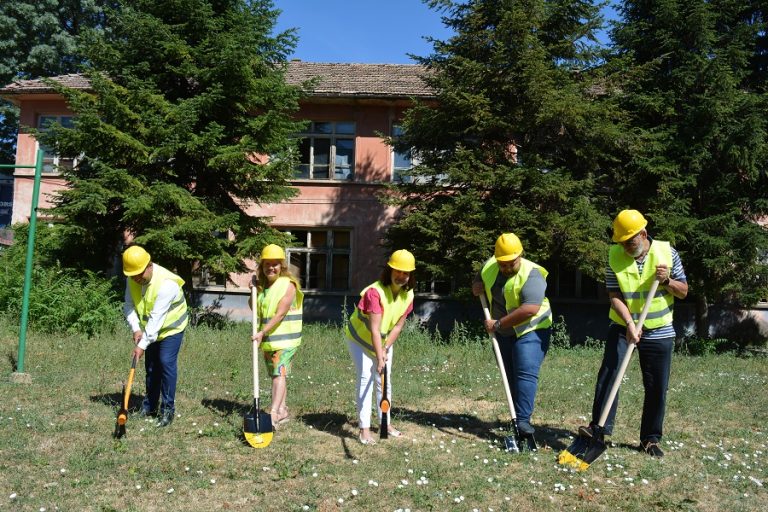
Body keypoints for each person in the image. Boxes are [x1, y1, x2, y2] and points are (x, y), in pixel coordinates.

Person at [581, 209, 688, 457]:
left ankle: (650, 439)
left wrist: (667, 282)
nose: (626, 247)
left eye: (630, 242)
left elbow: (683, 291)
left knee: (656, 385)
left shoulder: (667, 253)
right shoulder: (614, 256)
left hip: (659, 329)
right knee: (609, 376)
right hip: (622, 326)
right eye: (621, 242)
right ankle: (599, 430)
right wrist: (629, 323)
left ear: (643, 233)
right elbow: (614, 295)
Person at [472, 233, 553, 438]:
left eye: (511, 263)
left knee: (525, 371)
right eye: (503, 264)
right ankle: (516, 417)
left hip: (532, 329)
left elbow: (530, 309)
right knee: (509, 374)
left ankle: (523, 422)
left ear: (520, 255)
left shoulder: (531, 274)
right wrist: (476, 285)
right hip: (503, 332)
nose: (507, 268)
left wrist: (497, 323)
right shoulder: (490, 266)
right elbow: (479, 278)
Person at [345, 250, 416, 445]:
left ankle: (386, 423)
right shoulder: (374, 293)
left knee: (384, 382)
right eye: (398, 271)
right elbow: (374, 329)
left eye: (406, 273)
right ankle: (364, 429)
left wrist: (385, 349)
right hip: (360, 339)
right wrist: (379, 355)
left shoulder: (408, 295)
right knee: (366, 378)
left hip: (382, 341)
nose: (402, 276)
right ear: (390, 270)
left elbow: (398, 326)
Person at [122, 245, 189, 427]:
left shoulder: (167, 284)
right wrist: (136, 329)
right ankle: (150, 406)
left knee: (165, 362)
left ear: (149, 265)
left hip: (171, 328)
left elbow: (156, 320)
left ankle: (168, 410)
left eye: (139, 274)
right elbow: (128, 306)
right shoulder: (132, 278)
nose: (136, 278)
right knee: (151, 367)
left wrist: (141, 346)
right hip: (148, 330)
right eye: (132, 275)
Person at [250, 244, 304, 427]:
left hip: (286, 339)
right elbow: (253, 307)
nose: (271, 267)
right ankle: (282, 410)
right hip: (269, 340)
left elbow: (281, 313)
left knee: (278, 374)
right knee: (277, 375)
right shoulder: (265, 287)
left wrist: (262, 332)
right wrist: (254, 290)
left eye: (275, 264)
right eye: (267, 264)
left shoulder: (289, 285)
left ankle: (273, 414)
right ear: (262, 266)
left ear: (282, 266)